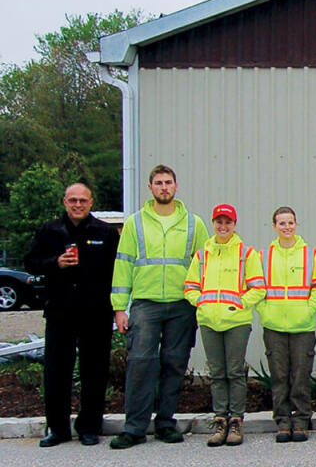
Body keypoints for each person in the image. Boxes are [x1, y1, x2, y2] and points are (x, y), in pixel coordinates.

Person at [109, 165, 208, 450]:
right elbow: (124, 264)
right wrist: (119, 307)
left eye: (168, 182)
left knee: (174, 364)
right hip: (146, 305)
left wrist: (201, 302)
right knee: (140, 364)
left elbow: (204, 265)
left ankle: (166, 422)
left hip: (181, 305)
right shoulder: (135, 223)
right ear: (150, 188)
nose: (164, 187)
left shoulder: (193, 223)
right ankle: (134, 428)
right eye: (158, 183)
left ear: (176, 187)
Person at [25, 183, 118, 447]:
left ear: (91, 203)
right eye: (73, 200)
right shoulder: (49, 231)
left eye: (83, 200)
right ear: (65, 202)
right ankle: (57, 428)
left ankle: (89, 427)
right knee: (56, 371)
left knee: (95, 371)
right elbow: (30, 262)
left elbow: (117, 271)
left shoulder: (106, 233)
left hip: (95, 312)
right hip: (59, 311)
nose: (78, 205)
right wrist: (54, 263)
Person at [184, 204, 265, 447]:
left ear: (234, 224)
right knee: (217, 373)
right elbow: (190, 286)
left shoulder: (245, 253)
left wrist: (240, 304)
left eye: (227, 222)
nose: (223, 226)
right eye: (219, 222)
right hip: (209, 321)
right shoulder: (202, 255)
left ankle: (236, 421)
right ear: (213, 223)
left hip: (236, 322)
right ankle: (220, 420)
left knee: (234, 372)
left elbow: (258, 287)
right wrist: (201, 303)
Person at [258, 206, 316, 443]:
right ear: (274, 226)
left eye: (290, 222)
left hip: (302, 325)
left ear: (296, 224)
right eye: (281, 223)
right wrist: (264, 311)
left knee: (301, 375)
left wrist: (310, 309)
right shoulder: (263, 255)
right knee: (279, 376)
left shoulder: (310, 254)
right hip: (273, 324)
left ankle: (301, 420)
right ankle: (283, 421)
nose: (286, 227)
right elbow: (257, 289)